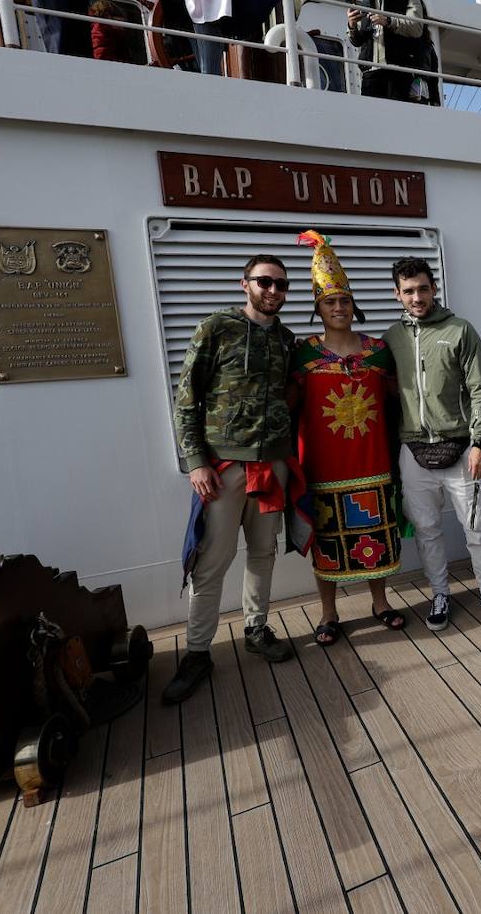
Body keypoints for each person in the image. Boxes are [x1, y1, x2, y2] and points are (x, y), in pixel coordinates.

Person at [164, 254, 299, 704]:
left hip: (272, 465)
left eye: (281, 285)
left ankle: (256, 629)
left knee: (263, 551)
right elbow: (187, 399)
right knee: (211, 561)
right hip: (223, 468)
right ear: (244, 284)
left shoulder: (286, 339)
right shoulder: (215, 328)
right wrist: (195, 461)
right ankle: (198, 651)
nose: (273, 291)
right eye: (265, 282)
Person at [382, 256, 481, 629]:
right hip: (413, 450)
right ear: (397, 294)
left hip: (461, 447)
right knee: (426, 529)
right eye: (408, 291)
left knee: (477, 526)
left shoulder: (460, 330)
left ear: (434, 289)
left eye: (423, 288)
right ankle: (440, 594)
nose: (416, 296)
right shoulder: (391, 339)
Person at [290, 231, 406, 642]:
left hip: (373, 463)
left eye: (344, 300)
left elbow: (401, 397)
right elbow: (286, 406)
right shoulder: (303, 354)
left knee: (375, 537)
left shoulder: (377, 350)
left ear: (354, 305)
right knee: (328, 544)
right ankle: (328, 613)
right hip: (323, 468)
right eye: (329, 301)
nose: (338, 307)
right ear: (318, 308)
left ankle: (381, 603)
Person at [346, 0, 436, 104]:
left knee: (397, 115)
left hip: (399, 71)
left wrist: (388, 21)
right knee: (371, 116)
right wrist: (351, 24)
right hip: (370, 74)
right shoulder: (366, 3)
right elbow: (357, 41)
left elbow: (416, 27)